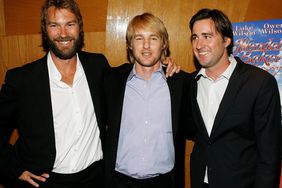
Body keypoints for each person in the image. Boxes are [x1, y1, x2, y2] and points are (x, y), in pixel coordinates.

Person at [0, 1, 179, 188]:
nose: (63, 33)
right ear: (45, 30)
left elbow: (136, 71)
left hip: (95, 179)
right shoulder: (21, 80)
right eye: (54, 25)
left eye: (70, 24)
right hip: (45, 181)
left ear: (80, 27)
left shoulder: (98, 67)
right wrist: (14, 169)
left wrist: (166, 67)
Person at [188, 8, 281, 188]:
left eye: (207, 36)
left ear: (226, 40)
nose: (199, 45)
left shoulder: (260, 83)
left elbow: (269, 155)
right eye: (194, 37)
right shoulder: (191, 82)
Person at [103, 12, 192, 188]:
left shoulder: (181, 83)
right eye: (138, 38)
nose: (146, 46)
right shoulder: (111, 81)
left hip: (165, 182)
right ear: (129, 45)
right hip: (119, 181)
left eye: (153, 38)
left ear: (164, 43)